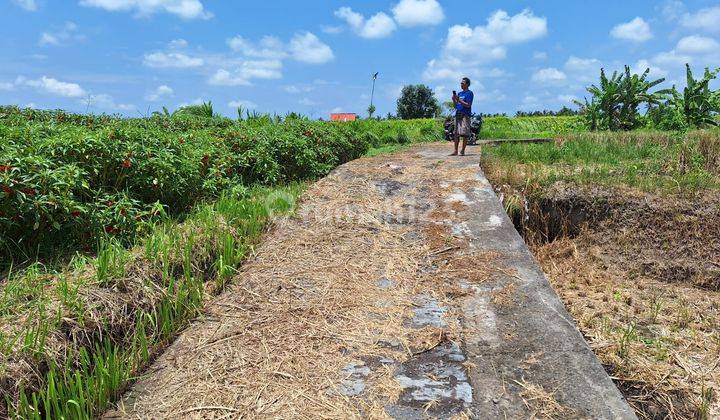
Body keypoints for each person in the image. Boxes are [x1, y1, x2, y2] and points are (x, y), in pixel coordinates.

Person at [451, 77, 473, 156]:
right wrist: (454, 100)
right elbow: (455, 106)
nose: (461, 84)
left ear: (467, 84)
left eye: (463, 83)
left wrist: (459, 100)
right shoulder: (459, 94)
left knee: (464, 134)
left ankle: (463, 150)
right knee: (456, 133)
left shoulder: (469, 93)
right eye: (461, 83)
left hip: (465, 115)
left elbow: (468, 105)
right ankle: (455, 150)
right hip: (458, 114)